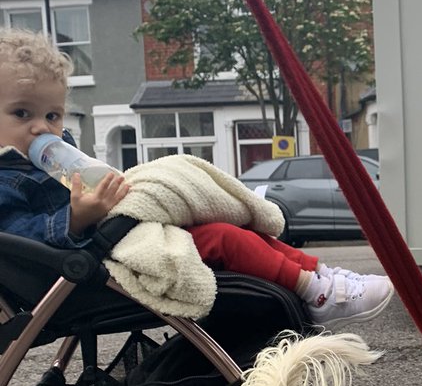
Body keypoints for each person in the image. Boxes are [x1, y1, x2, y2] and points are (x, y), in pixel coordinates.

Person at [0, 28, 393, 327]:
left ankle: (317, 274)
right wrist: (76, 218)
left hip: (105, 242)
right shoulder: (5, 178)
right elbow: (18, 242)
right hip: (76, 274)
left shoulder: (53, 158)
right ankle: (316, 294)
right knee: (220, 239)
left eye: (52, 116)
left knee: (222, 221)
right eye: (22, 114)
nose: (42, 129)